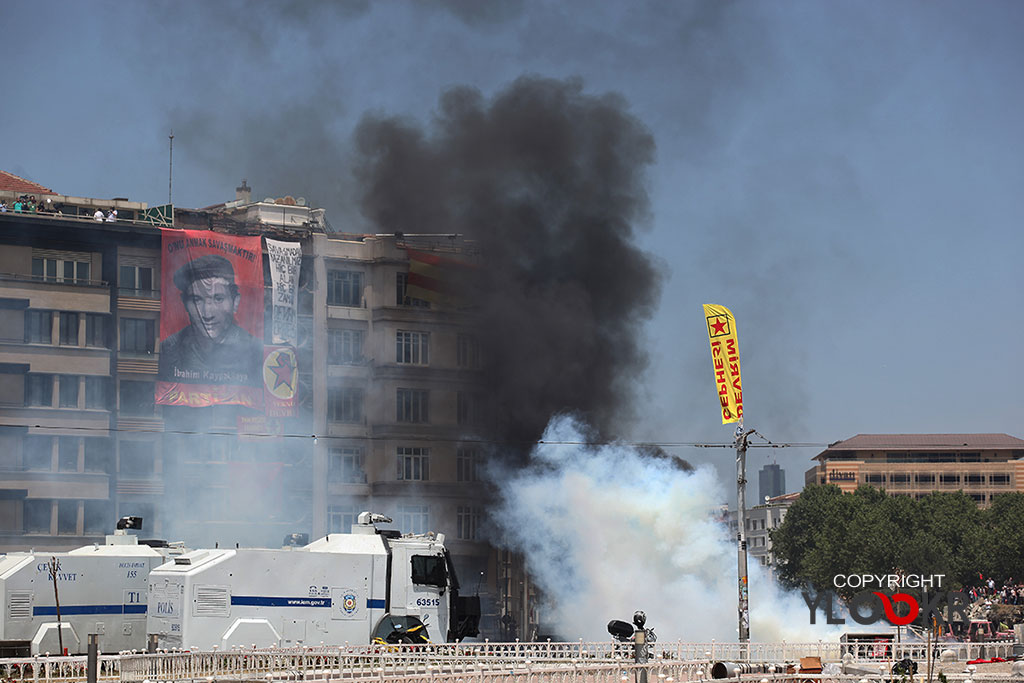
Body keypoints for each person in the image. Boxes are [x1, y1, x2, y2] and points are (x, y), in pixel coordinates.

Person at [158, 254, 263, 387]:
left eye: (218, 299)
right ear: (184, 303)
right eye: (196, 300)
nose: (207, 314)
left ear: (235, 302)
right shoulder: (169, 349)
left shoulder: (256, 352)